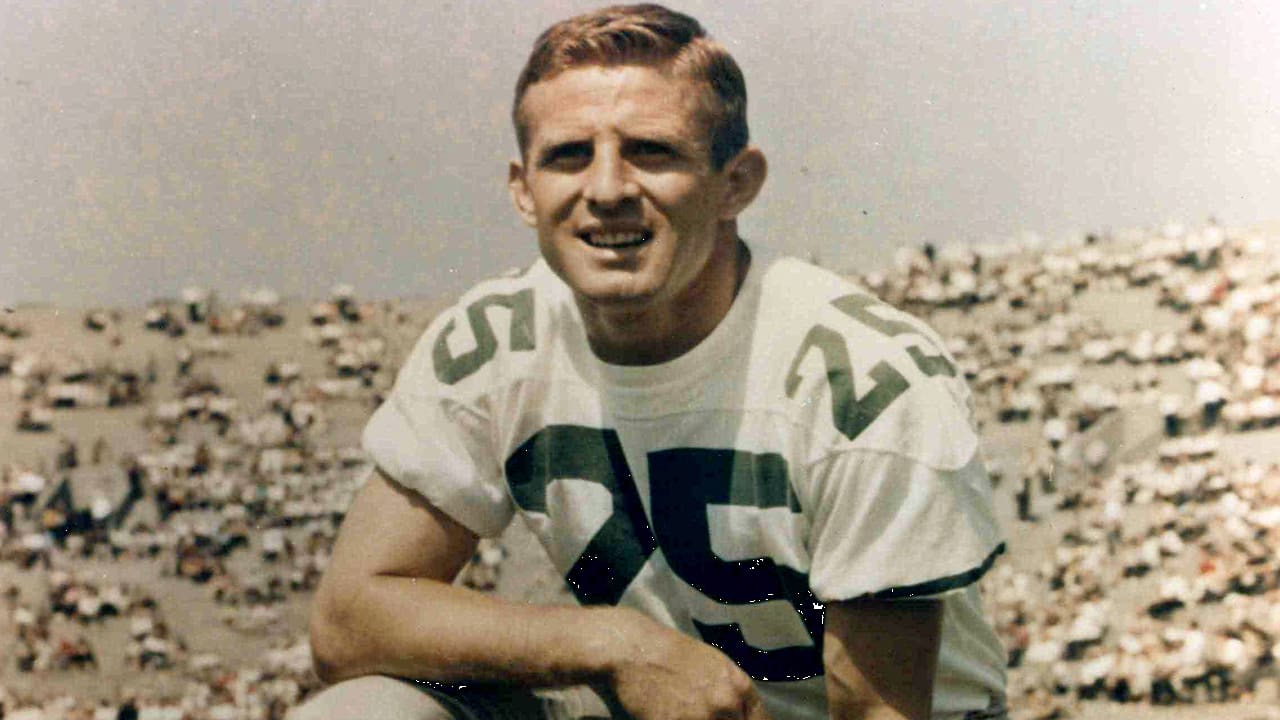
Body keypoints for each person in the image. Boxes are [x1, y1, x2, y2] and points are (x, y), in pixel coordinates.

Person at [301, 5, 1007, 720]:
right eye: (569, 155)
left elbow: (881, 714)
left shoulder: (861, 375)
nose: (607, 190)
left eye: (652, 151)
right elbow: (350, 620)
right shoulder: (495, 340)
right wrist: (612, 641)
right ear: (523, 189)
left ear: (737, 182)